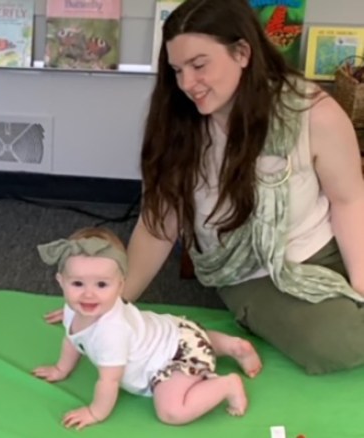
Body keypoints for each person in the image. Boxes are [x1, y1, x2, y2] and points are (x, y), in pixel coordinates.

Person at [45, 0, 364, 375]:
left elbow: (348, 200)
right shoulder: (177, 124)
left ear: (242, 53)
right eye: (177, 70)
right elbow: (159, 225)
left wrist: (360, 280)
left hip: (321, 243)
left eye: (199, 65)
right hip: (253, 273)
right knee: (335, 343)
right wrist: (113, 302)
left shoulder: (312, 112)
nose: (186, 84)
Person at [33, 227, 262, 430]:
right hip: (179, 332)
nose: (88, 294)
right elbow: (72, 339)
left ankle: (227, 385)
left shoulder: (111, 333)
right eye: (77, 284)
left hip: (171, 361)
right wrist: (61, 369)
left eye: (101, 284)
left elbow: (109, 381)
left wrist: (95, 412)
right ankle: (228, 345)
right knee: (193, 340)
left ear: (121, 284)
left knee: (171, 412)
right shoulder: (73, 309)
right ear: (61, 281)